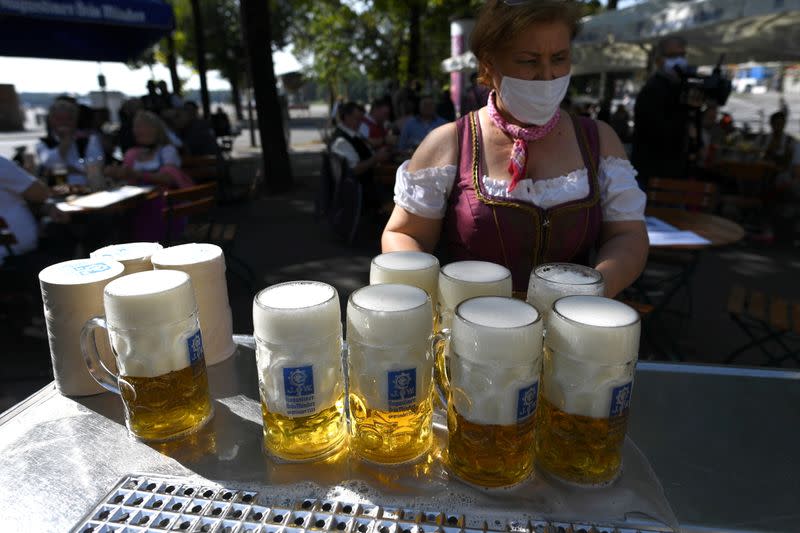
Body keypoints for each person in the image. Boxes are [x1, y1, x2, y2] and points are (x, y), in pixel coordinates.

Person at [381, 0, 648, 298]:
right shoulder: (449, 143)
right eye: (529, 61)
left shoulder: (599, 139)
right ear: (488, 64)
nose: (547, 76)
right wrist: (429, 299)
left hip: (571, 332)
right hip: (473, 331)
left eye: (559, 58)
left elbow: (627, 236)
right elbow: (405, 234)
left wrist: (592, 291)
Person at [105, 111, 193, 240]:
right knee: (114, 217)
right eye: (136, 126)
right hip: (135, 206)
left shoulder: (167, 151)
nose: (138, 130)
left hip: (163, 210)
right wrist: (114, 173)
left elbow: (168, 179)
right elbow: (126, 180)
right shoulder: (131, 154)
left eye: (143, 126)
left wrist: (135, 174)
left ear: (156, 129)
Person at [631, 36, 704, 188]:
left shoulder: (679, 88)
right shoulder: (653, 89)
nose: (679, 60)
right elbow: (657, 132)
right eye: (672, 56)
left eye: (682, 55)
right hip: (654, 176)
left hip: (674, 175)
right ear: (659, 60)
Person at [330, 102, 391, 210]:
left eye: (361, 119)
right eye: (357, 119)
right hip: (360, 193)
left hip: (366, 187)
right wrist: (376, 158)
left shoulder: (352, 133)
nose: (359, 123)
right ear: (346, 117)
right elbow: (354, 170)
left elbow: (368, 145)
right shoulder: (341, 141)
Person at [36, 99, 104, 186]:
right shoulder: (43, 143)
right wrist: (65, 142)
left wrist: (62, 169)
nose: (64, 123)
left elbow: (95, 164)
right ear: (51, 120)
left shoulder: (89, 139)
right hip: (59, 191)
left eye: (68, 119)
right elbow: (49, 163)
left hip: (88, 190)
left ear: (75, 120)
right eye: (59, 119)